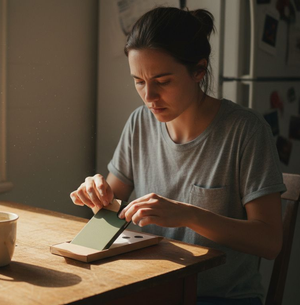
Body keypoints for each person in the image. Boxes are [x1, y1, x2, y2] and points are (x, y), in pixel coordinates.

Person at [69, 6, 286, 305]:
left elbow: (270, 242)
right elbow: (111, 212)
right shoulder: (139, 123)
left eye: (163, 81)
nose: (149, 96)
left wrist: (188, 215)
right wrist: (97, 197)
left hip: (219, 297)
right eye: (139, 81)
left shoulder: (246, 131)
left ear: (198, 70)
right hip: (151, 288)